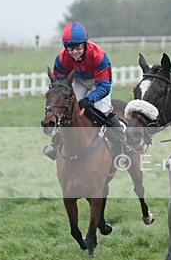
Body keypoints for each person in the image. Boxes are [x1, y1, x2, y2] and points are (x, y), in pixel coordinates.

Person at [43, 21, 126, 159]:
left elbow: (104, 87)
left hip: (98, 81)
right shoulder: (61, 58)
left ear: (85, 44)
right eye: (70, 48)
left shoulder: (99, 55)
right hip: (78, 80)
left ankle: (123, 141)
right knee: (67, 109)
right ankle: (56, 144)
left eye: (78, 47)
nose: (74, 52)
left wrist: (89, 99)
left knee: (103, 110)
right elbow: (59, 84)